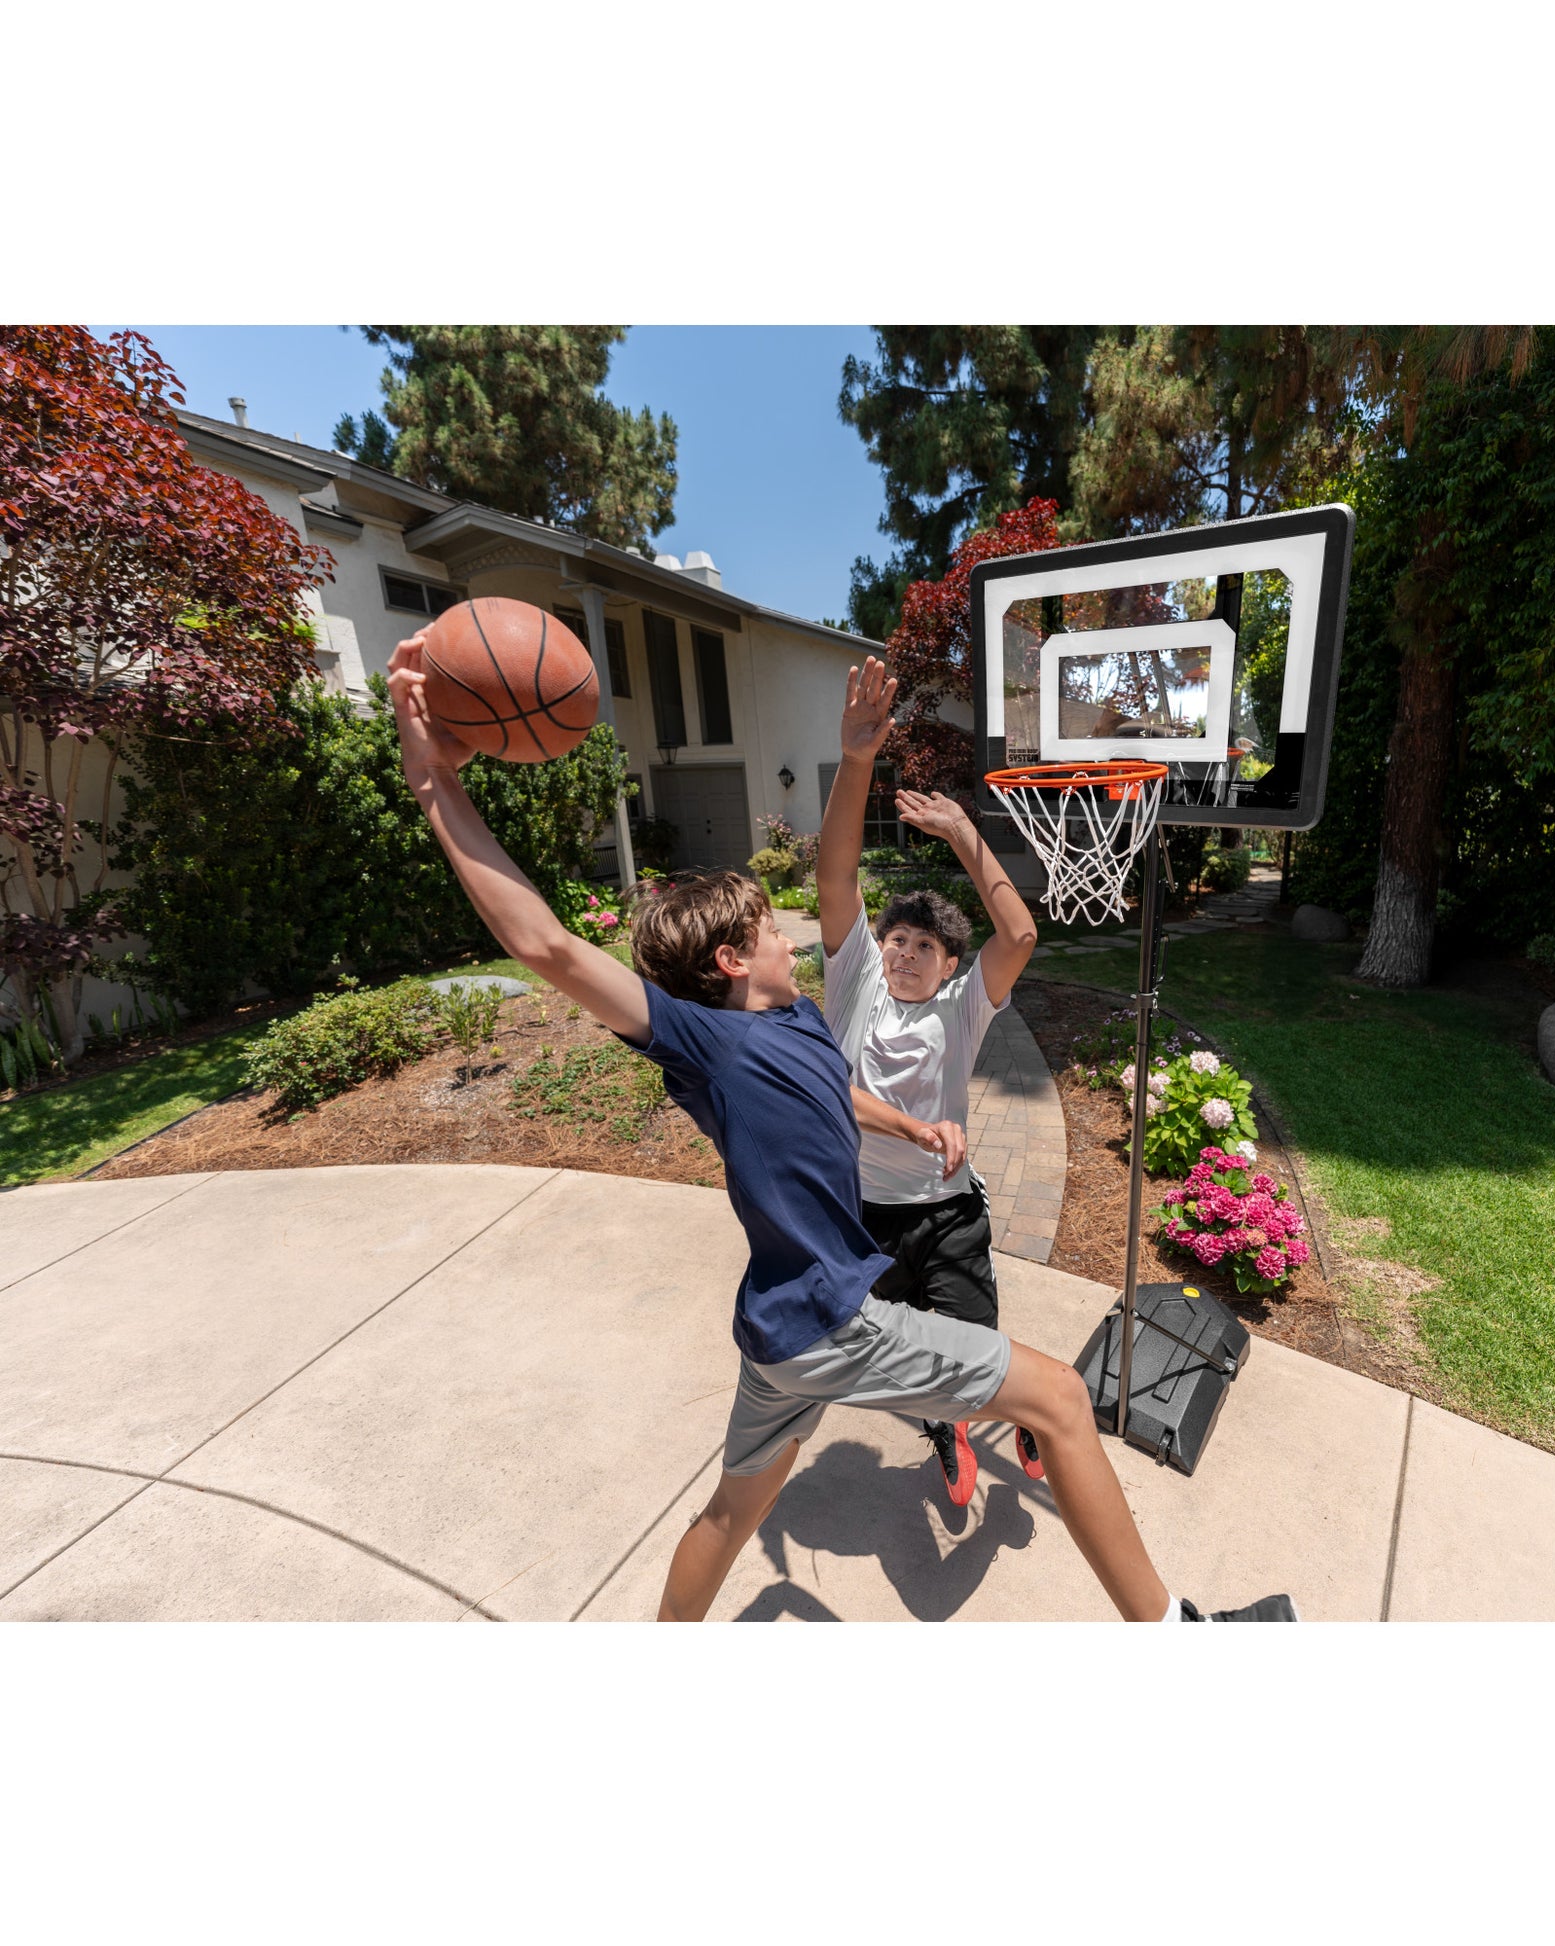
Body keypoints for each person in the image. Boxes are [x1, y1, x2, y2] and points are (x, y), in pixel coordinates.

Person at [385, 632, 1295, 1623]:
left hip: (781, 1329)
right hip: (831, 1316)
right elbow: (547, 944)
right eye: (774, 928)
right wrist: (435, 784)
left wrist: (908, 1120)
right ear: (733, 959)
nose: (797, 928)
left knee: (732, 1512)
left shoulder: (797, 1023)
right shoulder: (711, 1044)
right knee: (1060, 1400)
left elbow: (837, 1095)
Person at [816, 654, 1038, 1510]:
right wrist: (857, 759)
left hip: (946, 1213)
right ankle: (947, 1423)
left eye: (924, 948)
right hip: (865, 1215)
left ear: (949, 968)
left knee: (973, 1342)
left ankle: (1018, 1406)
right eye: (896, 940)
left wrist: (964, 834)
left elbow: (1015, 938)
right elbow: (836, 875)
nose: (904, 954)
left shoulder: (959, 1011)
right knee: (903, 1356)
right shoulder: (855, 980)